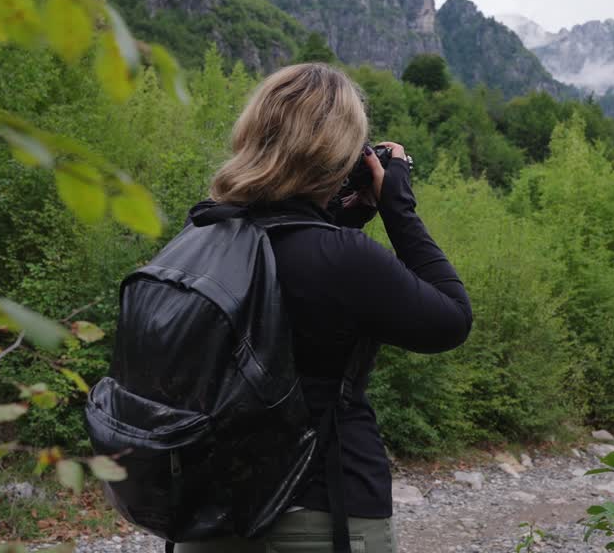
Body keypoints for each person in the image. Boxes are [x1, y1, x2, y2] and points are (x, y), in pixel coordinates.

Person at [179, 63, 472, 553]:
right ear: (339, 154)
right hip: (323, 514)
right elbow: (451, 319)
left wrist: (336, 221)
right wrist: (397, 207)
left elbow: (282, 266)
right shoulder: (341, 259)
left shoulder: (199, 238)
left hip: (208, 513)